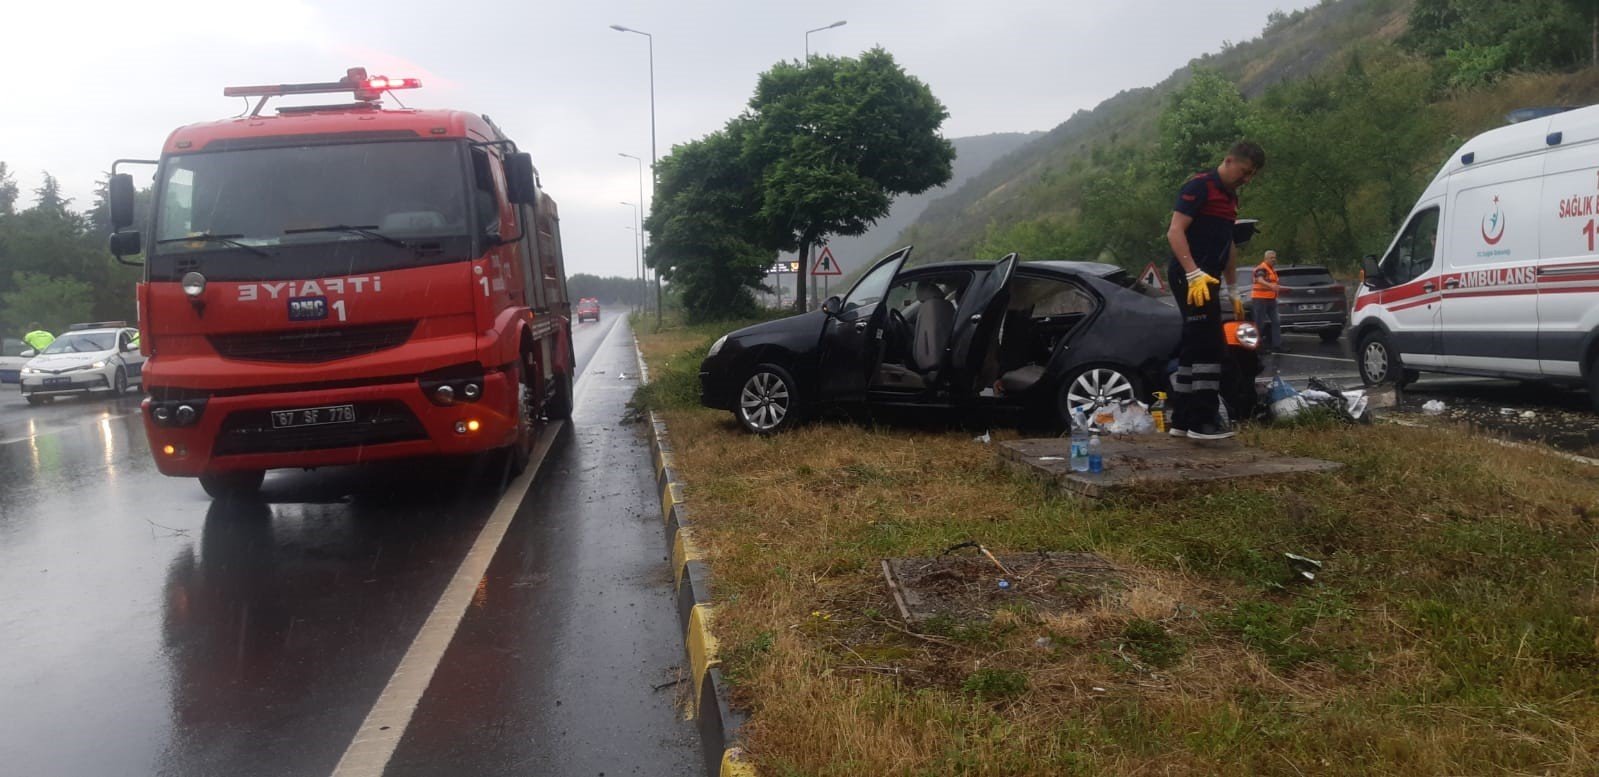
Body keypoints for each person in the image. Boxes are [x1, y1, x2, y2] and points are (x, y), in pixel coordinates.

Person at [1165, 141, 1265, 440]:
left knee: (1193, 344)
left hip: (1209, 277)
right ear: (1229, 160)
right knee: (1209, 345)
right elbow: (1174, 230)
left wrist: (1233, 288)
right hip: (1190, 276)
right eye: (1244, 172)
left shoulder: (1230, 197)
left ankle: (1182, 420)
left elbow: (1228, 244)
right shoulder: (1200, 186)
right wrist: (1192, 271)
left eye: (1251, 176)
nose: (1246, 179)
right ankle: (1202, 422)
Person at [1251, 250, 1283, 353]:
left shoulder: (1272, 270)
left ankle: (1277, 346)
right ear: (1266, 259)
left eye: (1274, 258)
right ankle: (1257, 346)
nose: (1274, 260)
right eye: (1271, 258)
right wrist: (1271, 286)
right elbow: (1260, 279)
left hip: (1271, 299)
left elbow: (1274, 283)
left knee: (1277, 321)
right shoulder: (1262, 268)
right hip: (1260, 299)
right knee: (1259, 323)